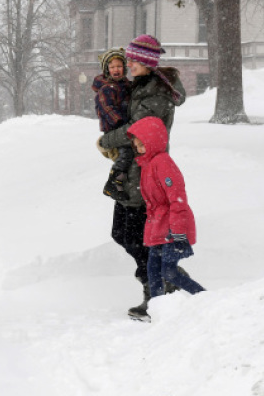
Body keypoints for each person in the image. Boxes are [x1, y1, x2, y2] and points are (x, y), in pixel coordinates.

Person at [97, 34, 187, 319]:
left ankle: (159, 289)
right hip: (131, 171)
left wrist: (107, 140)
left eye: (134, 60)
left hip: (146, 173)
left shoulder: (156, 94)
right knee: (121, 233)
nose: (128, 64)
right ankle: (164, 280)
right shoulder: (139, 86)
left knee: (138, 238)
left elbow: (138, 129)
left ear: (147, 63)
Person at [126, 116, 205, 320]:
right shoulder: (147, 164)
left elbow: (177, 200)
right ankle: (158, 311)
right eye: (137, 144)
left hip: (172, 228)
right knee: (153, 270)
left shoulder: (163, 163)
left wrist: (178, 232)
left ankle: (207, 300)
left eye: (143, 144)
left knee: (169, 272)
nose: (139, 148)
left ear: (154, 141)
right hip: (157, 227)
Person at [92, 48, 133, 201]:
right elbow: (107, 109)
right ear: (107, 70)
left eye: (119, 66)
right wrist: (121, 121)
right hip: (114, 128)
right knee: (126, 153)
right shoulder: (106, 89)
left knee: (130, 154)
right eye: (112, 67)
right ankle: (112, 183)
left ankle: (119, 182)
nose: (116, 70)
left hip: (124, 126)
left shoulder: (126, 85)